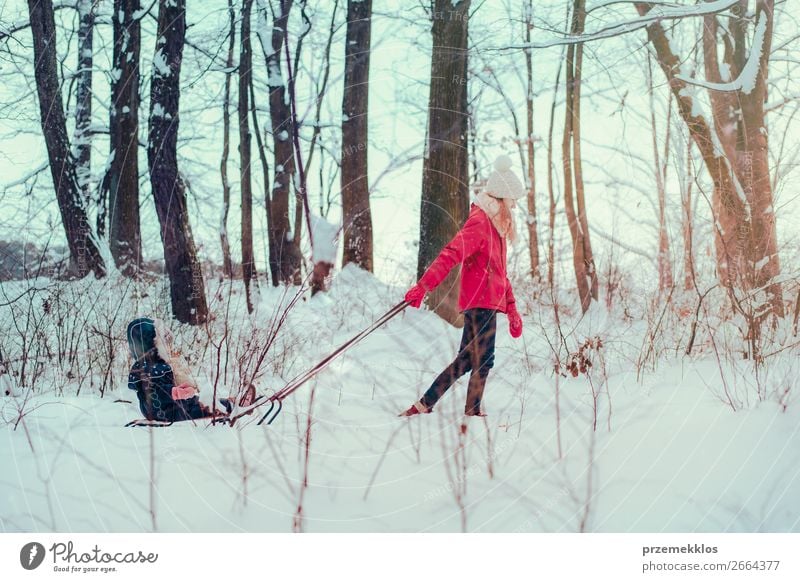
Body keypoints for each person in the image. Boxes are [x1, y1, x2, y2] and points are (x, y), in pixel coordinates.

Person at [400, 155, 524, 417]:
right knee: (484, 359)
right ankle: (472, 412)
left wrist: (512, 310)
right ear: (500, 199)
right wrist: (424, 286)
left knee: (467, 359)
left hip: (487, 302)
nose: (514, 208)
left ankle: (424, 405)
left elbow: (501, 276)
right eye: (512, 202)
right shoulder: (480, 223)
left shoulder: (497, 229)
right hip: (480, 303)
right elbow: (451, 252)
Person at [126, 317, 216, 422]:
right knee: (199, 407)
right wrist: (174, 392)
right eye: (164, 344)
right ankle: (221, 406)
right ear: (153, 345)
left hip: (169, 407)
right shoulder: (148, 368)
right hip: (163, 411)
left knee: (196, 402)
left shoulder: (158, 365)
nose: (168, 348)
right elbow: (154, 393)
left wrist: (180, 389)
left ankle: (217, 404)